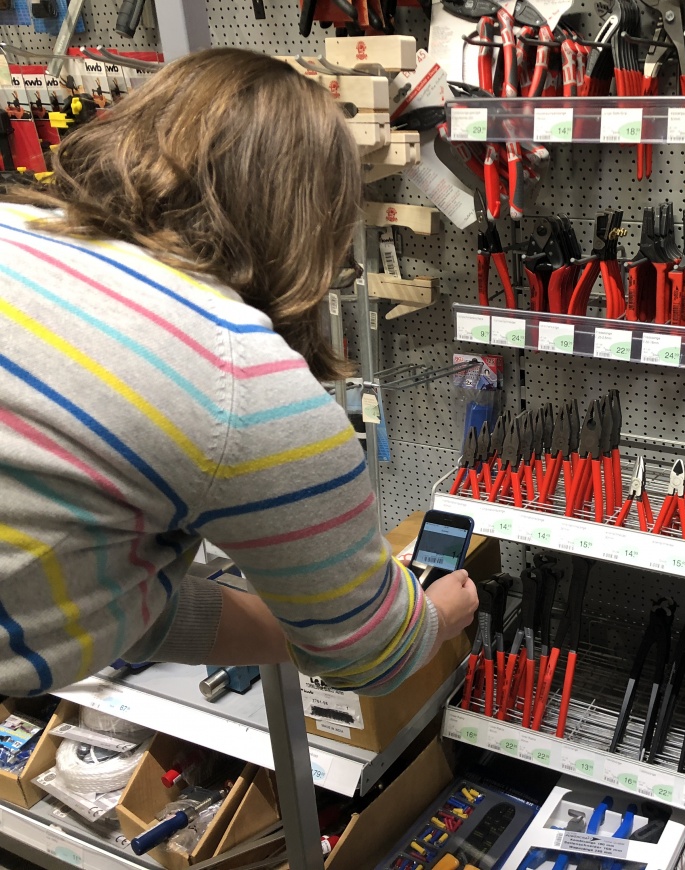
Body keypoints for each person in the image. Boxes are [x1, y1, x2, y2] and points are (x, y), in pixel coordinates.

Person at [0, 48, 479, 697]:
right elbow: (371, 659)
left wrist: (318, 626)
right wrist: (431, 619)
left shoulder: (14, 228)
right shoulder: (243, 385)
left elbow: (115, 598)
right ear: (318, 223)